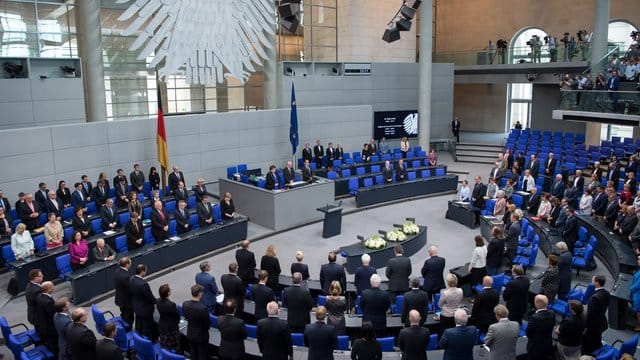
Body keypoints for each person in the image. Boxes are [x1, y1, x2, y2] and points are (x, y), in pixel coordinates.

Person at [582, 274, 610, 355]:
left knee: (588, 344)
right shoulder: (606, 293)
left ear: (597, 282)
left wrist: (585, 327)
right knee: (597, 339)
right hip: (602, 322)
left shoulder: (594, 298)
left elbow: (590, 315)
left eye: (593, 280)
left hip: (593, 326)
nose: (592, 280)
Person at [182, 284, 210, 360]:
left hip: (190, 333)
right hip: (201, 336)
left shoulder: (185, 304)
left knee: (193, 353)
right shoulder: (203, 308)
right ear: (200, 294)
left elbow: (186, 316)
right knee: (202, 355)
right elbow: (207, 324)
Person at [129, 264, 156, 339]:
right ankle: (146, 342)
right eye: (145, 271)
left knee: (139, 325)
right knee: (147, 328)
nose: (146, 272)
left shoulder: (131, 278)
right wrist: (156, 301)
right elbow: (150, 297)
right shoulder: (143, 284)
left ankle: (138, 339)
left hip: (136, 307)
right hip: (145, 310)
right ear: (142, 272)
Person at [526, 295, 556, 360]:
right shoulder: (552, 313)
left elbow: (528, 332)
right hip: (547, 343)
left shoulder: (534, 318)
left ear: (537, 304)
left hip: (535, 347)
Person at [35, 281, 57, 355]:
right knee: (54, 346)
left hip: (43, 323)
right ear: (48, 289)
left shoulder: (40, 296)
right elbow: (53, 315)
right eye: (52, 286)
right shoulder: (48, 302)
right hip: (49, 328)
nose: (54, 287)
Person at [114, 257, 133, 328]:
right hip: (126, 302)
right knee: (129, 319)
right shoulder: (126, 276)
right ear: (127, 264)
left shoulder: (117, 271)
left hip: (120, 299)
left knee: (124, 315)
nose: (131, 264)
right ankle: (127, 332)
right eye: (130, 263)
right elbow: (130, 289)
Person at [631, 256, 640, 331]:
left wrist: (631, 289)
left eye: (639, 260)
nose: (638, 261)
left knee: (639, 312)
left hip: (638, 294)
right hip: (636, 293)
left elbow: (637, 285)